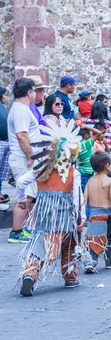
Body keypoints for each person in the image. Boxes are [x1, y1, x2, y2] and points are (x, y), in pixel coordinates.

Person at [17, 118, 85, 296]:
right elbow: (78, 199)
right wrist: (81, 219)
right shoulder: (73, 173)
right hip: (65, 217)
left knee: (39, 243)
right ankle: (70, 276)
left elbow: (21, 182)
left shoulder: (41, 168)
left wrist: (21, 200)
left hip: (44, 214)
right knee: (68, 244)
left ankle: (30, 274)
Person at [7, 78, 40, 243]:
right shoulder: (21, 110)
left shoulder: (20, 109)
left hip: (24, 157)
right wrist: (30, 156)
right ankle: (16, 231)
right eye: (34, 91)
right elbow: (22, 135)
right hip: (23, 158)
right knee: (26, 194)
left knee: (30, 194)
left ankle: (24, 228)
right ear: (29, 92)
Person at [82, 151, 111, 273]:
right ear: (107, 165)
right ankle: (110, 261)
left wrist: (83, 216)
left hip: (94, 214)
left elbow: (84, 200)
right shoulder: (110, 181)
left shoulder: (90, 181)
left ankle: (91, 262)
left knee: (93, 238)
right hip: (107, 214)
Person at [0, 87, 10, 207]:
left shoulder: (3, 107)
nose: (5, 97)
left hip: (5, 141)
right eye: (4, 95)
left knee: (2, 171)